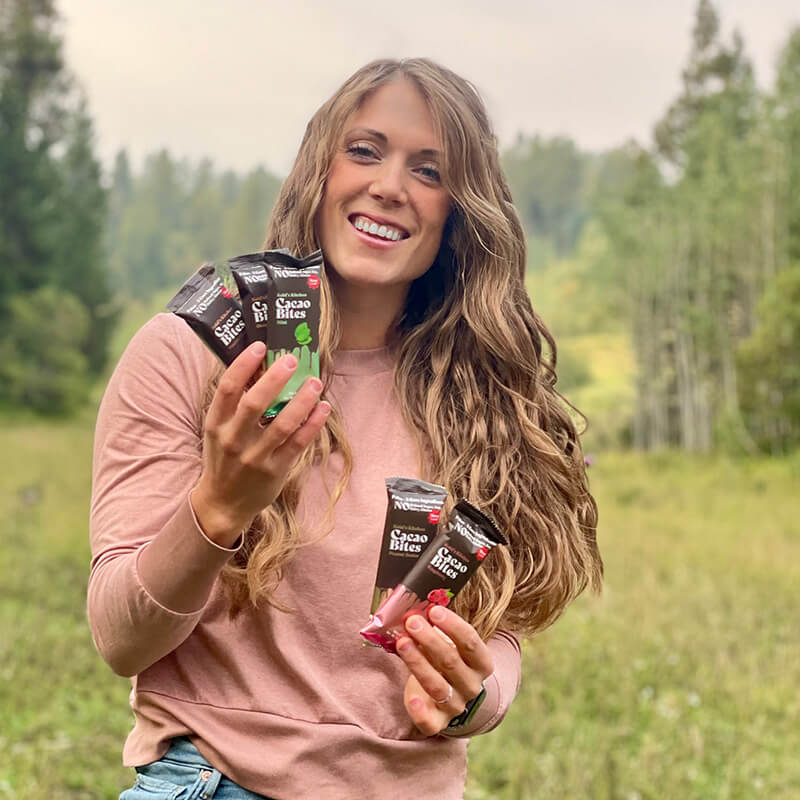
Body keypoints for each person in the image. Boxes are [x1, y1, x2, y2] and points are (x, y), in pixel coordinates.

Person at [89, 58, 602, 800]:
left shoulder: (484, 398)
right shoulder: (191, 355)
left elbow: (501, 633)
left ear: (460, 212)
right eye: (364, 150)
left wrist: (471, 697)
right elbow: (120, 637)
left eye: (428, 170)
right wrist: (218, 508)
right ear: (317, 172)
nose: (390, 185)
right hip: (213, 781)